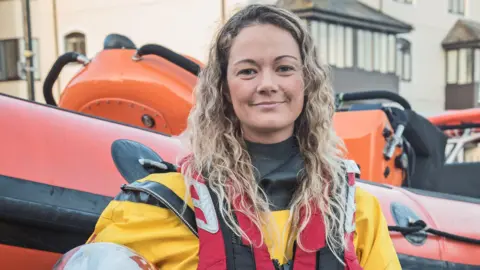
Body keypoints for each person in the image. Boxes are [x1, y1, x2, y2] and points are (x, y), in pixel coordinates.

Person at [85, 4, 401, 270]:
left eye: (284, 68)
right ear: (224, 87)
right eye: (248, 71)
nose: (267, 84)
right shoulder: (157, 208)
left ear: (306, 81)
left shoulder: (358, 213)